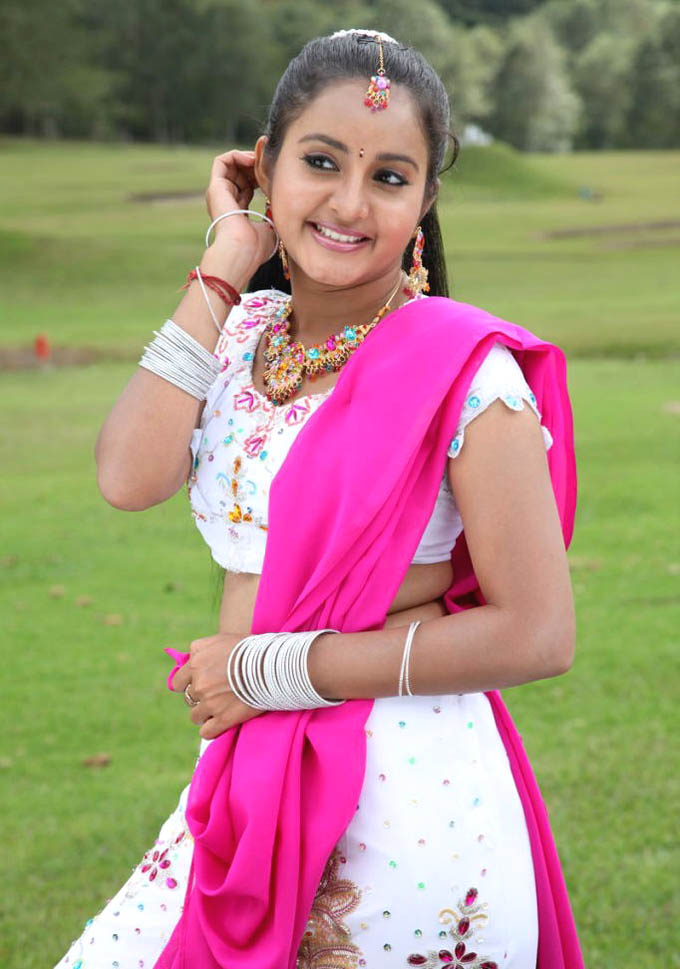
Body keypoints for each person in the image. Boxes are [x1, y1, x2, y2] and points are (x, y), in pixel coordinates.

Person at [54, 28, 584, 969]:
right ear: (266, 167)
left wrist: (268, 670)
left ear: (424, 201)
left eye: (389, 177)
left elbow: (538, 633)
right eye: (321, 162)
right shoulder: (239, 332)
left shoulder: (466, 375)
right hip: (247, 765)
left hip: (409, 801)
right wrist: (228, 256)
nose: (349, 203)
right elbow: (127, 478)